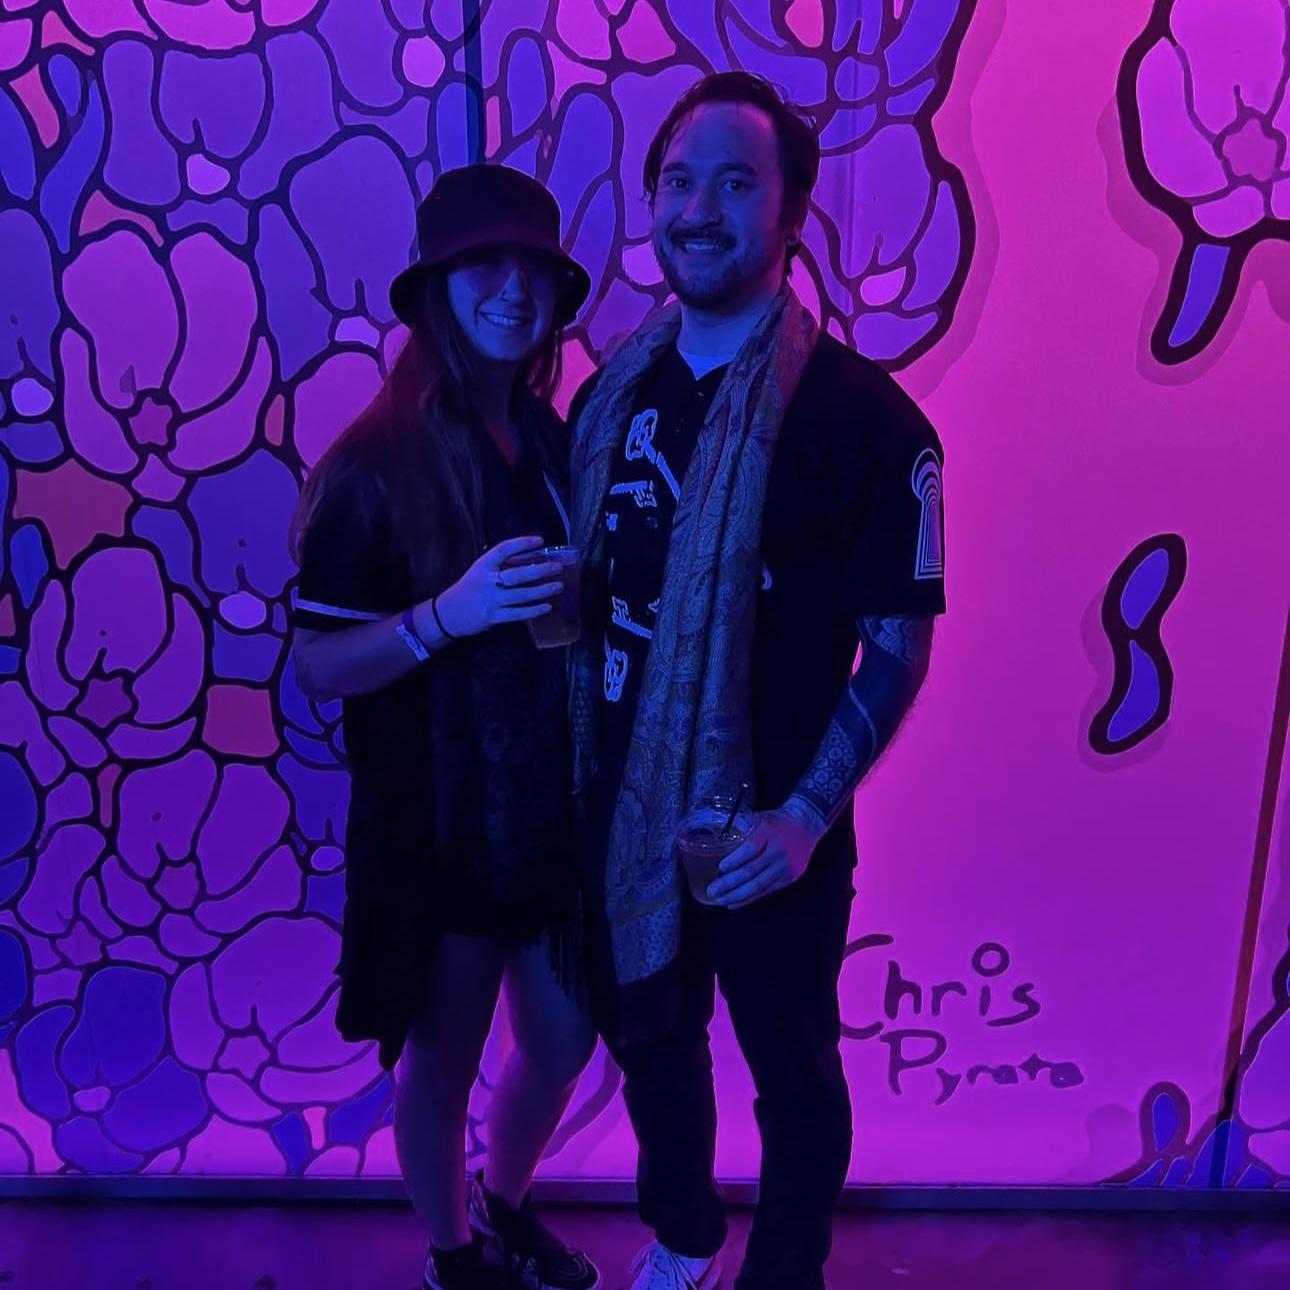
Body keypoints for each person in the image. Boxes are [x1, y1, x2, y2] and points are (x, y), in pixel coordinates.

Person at [567, 73, 947, 1290]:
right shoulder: (609, 397)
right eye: (679, 181)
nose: (700, 210)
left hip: (771, 828)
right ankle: (685, 1236)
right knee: (652, 1041)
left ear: (790, 214)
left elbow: (898, 646)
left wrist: (803, 818)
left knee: (793, 1073)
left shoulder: (868, 423)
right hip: (622, 811)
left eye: (736, 183)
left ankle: (785, 1273)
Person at [291, 165, 601, 1290]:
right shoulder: (374, 464)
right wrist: (443, 618)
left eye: (534, 269)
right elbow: (319, 664)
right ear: (436, 289)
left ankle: (504, 1206)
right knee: (442, 1059)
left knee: (563, 1039)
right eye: (484, 264)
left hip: (553, 821)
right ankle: (453, 1251)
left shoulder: (554, 441)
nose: (513, 289)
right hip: (440, 827)